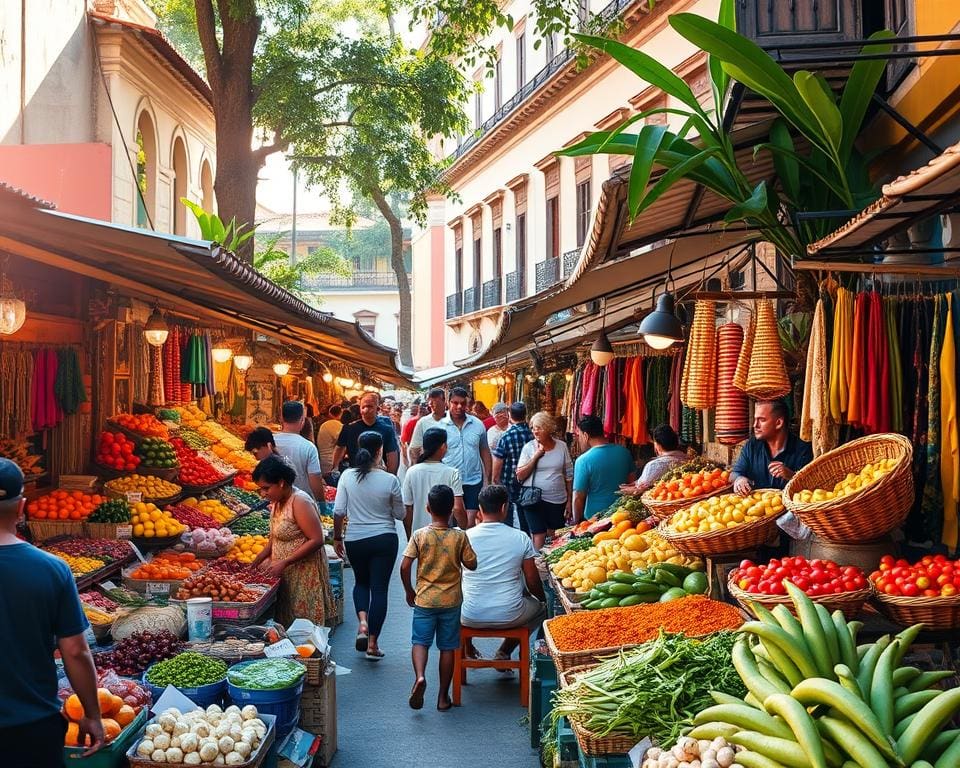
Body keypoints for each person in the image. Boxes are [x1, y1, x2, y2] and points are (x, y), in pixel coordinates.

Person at [0, 459, 105, 765]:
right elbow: (74, 651)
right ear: (22, 508)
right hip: (32, 727)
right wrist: (92, 714)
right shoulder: (52, 569)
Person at [400, 484, 477, 711]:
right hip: (451, 601)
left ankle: (420, 676)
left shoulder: (420, 535)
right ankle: (443, 698)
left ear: (427, 508)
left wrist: (409, 590)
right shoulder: (459, 537)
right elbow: (472, 563)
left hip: (424, 600)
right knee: (447, 647)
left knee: (420, 642)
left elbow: (404, 567)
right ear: (452, 509)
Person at [332, 431, 405, 660]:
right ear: (379, 451)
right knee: (380, 589)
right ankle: (373, 644)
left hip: (355, 538)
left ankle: (362, 622)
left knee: (361, 583)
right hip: (385, 538)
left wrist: (336, 538)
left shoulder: (347, 476)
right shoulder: (390, 480)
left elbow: (339, 512)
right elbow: (400, 514)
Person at [461, 485, 546, 663]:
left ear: (480, 509)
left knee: (459, 597)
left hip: (469, 614)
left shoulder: (464, 537)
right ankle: (505, 651)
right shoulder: (520, 537)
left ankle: (467, 648)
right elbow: (532, 581)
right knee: (543, 611)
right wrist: (542, 599)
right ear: (504, 508)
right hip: (511, 614)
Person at [251, 455, 334, 627]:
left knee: (303, 625)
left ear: (281, 482)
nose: (263, 494)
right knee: (287, 622)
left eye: (266, 488)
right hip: (285, 572)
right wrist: (255, 562)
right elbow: (274, 538)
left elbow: (317, 539)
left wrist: (286, 561)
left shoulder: (300, 501)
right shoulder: (278, 502)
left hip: (303, 573)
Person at [516, 411, 573, 549]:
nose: (535, 431)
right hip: (533, 499)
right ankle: (537, 565)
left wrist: (570, 500)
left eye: (539, 427)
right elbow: (520, 475)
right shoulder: (529, 448)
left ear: (548, 428)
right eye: (533, 427)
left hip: (557, 498)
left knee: (554, 533)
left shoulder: (561, 446)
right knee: (539, 533)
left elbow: (569, 474)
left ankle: (551, 564)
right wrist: (536, 456)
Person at [731, 400, 813, 495]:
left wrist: (791, 476)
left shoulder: (803, 449)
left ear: (779, 423)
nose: (755, 425)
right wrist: (739, 479)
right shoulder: (752, 446)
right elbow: (734, 474)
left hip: (791, 508)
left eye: (761, 420)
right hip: (756, 506)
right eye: (755, 419)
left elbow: (810, 486)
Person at [441, 386, 492, 527]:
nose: (459, 406)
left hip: (473, 480)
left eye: (463, 403)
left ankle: (466, 545)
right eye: (455, 403)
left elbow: (485, 450)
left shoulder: (477, 425)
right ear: (448, 402)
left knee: (469, 525)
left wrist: (487, 479)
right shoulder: (440, 426)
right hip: (449, 481)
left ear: (468, 404)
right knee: (448, 523)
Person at [572, 415, 636, 522]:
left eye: (579, 436)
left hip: (596, 519)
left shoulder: (583, 461)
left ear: (586, 435)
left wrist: (577, 523)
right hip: (623, 516)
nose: (579, 440)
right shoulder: (624, 452)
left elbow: (578, 497)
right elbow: (633, 483)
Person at [402, 428, 466, 532]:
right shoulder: (452, 473)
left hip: (420, 536)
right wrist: (464, 529)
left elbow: (407, 508)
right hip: (445, 535)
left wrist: (410, 535)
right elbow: (458, 508)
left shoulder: (411, 472)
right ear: (443, 446)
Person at [271, 401, 327, 502]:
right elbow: (315, 479)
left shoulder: (270, 442)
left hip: (275, 501)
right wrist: (322, 503)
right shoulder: (308, 447)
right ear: (302, 420)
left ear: (281, 419)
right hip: (302, 502)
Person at [332, 392, 400, 474]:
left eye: (370, 406)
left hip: (377, 473)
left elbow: (392, 454)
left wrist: (392, 474)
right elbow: (339, 448)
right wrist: (334, 468)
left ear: (377, 409)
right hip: (355, 473)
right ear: (360, 409)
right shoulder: (349, 428)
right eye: (363, 407)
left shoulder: (386, 429)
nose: (366, 409)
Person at [491, 402, 534, 531]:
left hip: (510, 482)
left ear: (509, 415)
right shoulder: (533, 434)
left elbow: (498, 463)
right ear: (525, 415)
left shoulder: (505, 437)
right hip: (531, 483)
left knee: (507, 517)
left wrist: (495, 480)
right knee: (528, 519)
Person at [621, 424, 688, 495]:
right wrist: (635, 484)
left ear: (658, 445)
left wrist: (626, 490)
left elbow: (641, 490)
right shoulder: (687, 460)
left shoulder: (654, 465)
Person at [408, 388, 447, 463]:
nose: (431, 404)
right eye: (429, 401)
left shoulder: (453, 419)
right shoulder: (423, 422)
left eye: (434, 400)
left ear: (444, 401)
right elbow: (414, 449)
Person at [316, 404, 344, 475]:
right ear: (340, 413)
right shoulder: (334, 424)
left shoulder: (325, 423)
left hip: (324, 459)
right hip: (330, 460)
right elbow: (343, 440)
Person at [400, 403, 428, 469]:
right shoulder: (413, 421)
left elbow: (403, 441)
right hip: (418, 449)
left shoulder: (409, 421)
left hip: (413, 449)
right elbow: (403, 441)